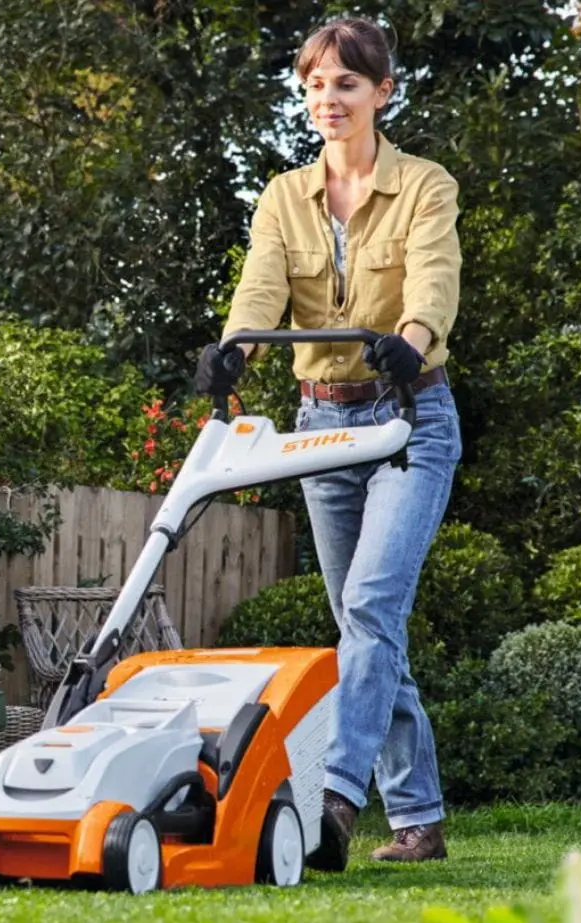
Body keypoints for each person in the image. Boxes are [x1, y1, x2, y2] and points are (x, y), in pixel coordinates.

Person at [195, 15, 462, 869]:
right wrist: (234, 347)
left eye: (346, 83)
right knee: (364, 624)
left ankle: (335, 801)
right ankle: (419, 818)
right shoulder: (283, 196)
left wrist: (409, 338)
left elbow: (434, 279)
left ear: (383, 92)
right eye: (314, 85)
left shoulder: (425, 185)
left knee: (372, 611)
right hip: (319, 427)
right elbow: (261, 287)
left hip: (408, 418)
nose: (328, 99)